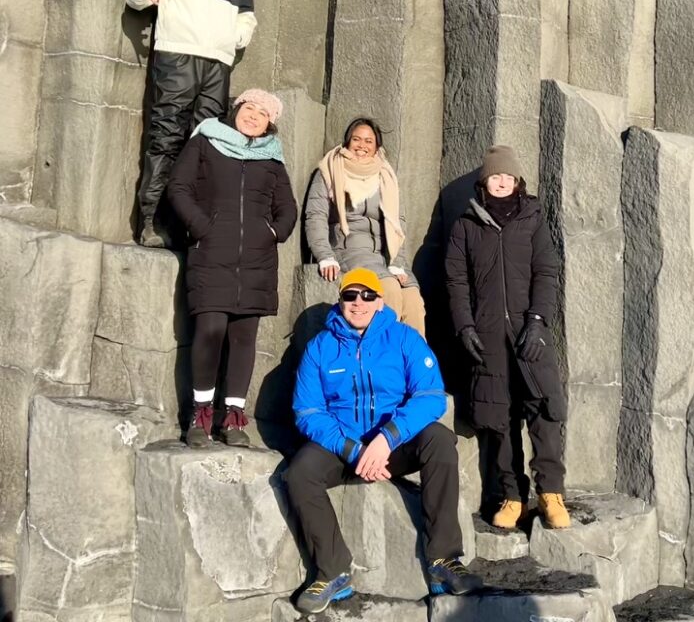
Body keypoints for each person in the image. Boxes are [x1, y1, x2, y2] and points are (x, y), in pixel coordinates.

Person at [284, 267, 482, 615]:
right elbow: (308, 411)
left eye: (367, 296)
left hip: (392, 445)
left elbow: (431, 395)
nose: (358, 303)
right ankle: (332, 571)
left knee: (440, 439)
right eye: (350, 295)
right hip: (344, 448)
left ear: (379, 302)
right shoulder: (320, 347)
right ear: (340, 299)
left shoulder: (404, 339)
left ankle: (443, 560)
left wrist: (387, 438)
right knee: (299, 473)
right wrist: (351, 448)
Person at [444, 145, 570, 531]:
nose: (501, 182)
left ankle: (551, 494)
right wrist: (464, 326)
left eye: (508, 177)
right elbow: (456, 280)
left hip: (528, 332)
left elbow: (547, 272)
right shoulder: (466, 224)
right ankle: (512, 496)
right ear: (485, 181)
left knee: (543, 410)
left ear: (518, 182)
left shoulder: (532, 219)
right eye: (495, 176)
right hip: (486, 336)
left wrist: (537, 320)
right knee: (498, 419)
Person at [166, 88, 297, 448]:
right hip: (211, 253)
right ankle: (200, 416)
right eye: (249, 108)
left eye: (263, 114)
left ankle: (234, 419)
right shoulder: (207, 141)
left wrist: (273, 232)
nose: (253, 116)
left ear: (270, 125)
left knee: (243, 340)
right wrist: (203, 226)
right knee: (209, 331)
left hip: (256, 262)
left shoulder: (272, 159)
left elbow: (287, 208)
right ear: (236, 109)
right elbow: (178, 187)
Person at [125, 0, 257, 248]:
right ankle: (151, 223)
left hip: (217, 65)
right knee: (165, 138)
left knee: (205, 146)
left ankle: (187, 226)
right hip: (177, 59)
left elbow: (247, 17)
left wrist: (237, 35)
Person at [304, 117, 426, 336]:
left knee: (413, 300)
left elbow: (398, 224)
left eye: (369, 141)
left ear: (377, 146)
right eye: (356, 139)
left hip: (384, 256)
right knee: (388, 289)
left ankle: (414, 366)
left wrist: (398, 262)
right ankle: (382, 360)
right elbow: (316, 215)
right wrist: (324, 255)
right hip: (349, 250)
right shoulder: (330, 169)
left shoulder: (386, 174)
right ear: (347, 142)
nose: (362, 145)